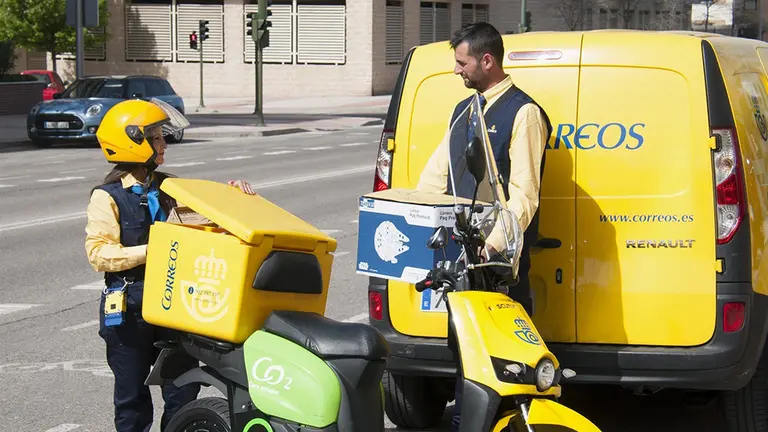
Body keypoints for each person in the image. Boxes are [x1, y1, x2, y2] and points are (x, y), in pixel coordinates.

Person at [84, 98, 256, 432]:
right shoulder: (106, 196)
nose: (164, 144)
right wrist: (157, 250)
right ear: (132, 139)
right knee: (131, 399)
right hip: (130, 305)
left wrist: (235, 196)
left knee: (184, 392)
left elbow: (210, 219)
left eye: (163, 136)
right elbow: (100, 254)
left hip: (175, 303)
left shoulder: (170, 188)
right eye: (156, 137)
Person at [415, 22, 552, 431]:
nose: (456, 70)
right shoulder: (463, 111)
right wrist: (409, 213)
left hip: (495, 266)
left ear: (486, 61)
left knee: (505, 364)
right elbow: (435, 176)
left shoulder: (524, 112)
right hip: (461, 261)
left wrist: (490, 247)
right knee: (464, 360)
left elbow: (524, 194)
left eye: (462, 62)